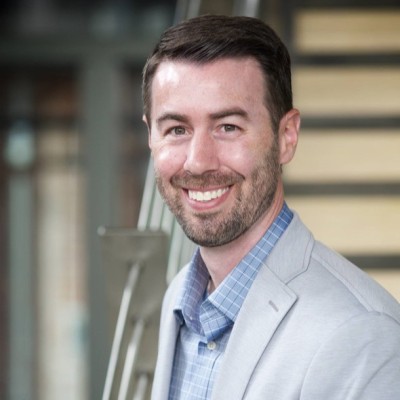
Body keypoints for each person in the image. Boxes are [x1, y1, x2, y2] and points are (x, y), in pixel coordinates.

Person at [141, 14, 400, 400]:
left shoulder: (362, 336)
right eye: (177, 129)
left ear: (286, 137)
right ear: (150, 135)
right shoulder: (178, 299)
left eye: (228, 127)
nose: (198, 162)